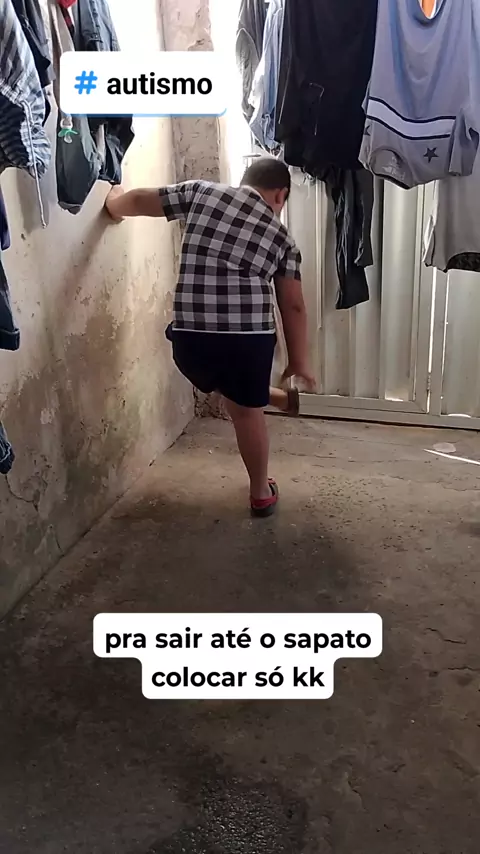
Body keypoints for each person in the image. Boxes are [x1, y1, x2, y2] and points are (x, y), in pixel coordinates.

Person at [104, 157, 314, 517]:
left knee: (222, 379)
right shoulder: (283, 239)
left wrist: (113, 204)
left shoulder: (201, 193)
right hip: (247, 343)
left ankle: (267, 396)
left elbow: (139, 200)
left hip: (191, 344)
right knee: (247, 412)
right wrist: (298, 361)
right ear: (280, 195)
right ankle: (261, 492)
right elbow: (292, 305)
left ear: (244, 181)